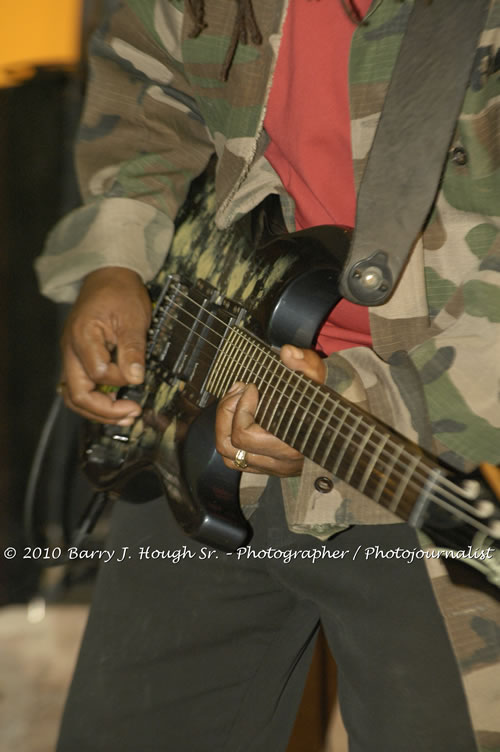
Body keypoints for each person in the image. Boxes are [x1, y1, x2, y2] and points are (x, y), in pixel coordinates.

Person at [36, 1, 500, 750]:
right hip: (202, 400)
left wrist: (367, 397)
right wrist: (116, 259)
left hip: (437, 467)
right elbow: (145, 72)